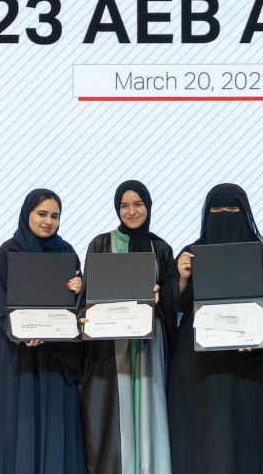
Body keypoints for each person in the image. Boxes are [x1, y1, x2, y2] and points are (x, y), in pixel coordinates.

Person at [167, 184, 263, 474]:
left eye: (232, 209)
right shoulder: (192, 254)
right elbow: (173, 305)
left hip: (249, 366)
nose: (224, 215)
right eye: (216, 209)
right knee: (208, 440)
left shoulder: (261, 256)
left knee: (247, 438)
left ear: (244, 213)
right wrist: (182, 278)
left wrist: (260, 339)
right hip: (201, 369)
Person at [80, 180, 174, 474]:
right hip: (111, 347)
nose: (131, 212)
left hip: (149, 346)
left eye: (138, 204)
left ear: (148, 206)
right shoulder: (100, 244)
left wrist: (162, 296)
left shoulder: (161, 248)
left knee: (149, 407)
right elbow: (88, 296)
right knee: (113, 414)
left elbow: (172, 302)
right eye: (124, 206)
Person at [0, 189, 86, 474]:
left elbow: (76, 309)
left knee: (58, 425)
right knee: (24, 426)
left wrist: (81, 290)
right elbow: (2, 305)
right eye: (42, 214)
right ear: (27, 214)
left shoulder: (66, 252)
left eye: (54, 216)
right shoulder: (9, 252)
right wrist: (20, 334)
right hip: (22, 357)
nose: (48, 221)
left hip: (58, 358)